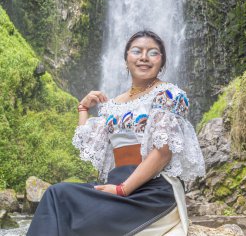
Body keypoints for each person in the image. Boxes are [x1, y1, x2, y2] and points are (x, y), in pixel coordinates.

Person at [27, 30, 205, 236]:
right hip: (116, 186)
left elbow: (163, 152)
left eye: (153, 53)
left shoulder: (169, 95)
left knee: (81, 218)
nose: (144, 57)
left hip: (153, 192)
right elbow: (89, 142)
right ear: (126, 58)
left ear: (162, 62)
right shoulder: (114, 105)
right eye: (137, 51)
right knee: (56, 194)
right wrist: (83, 109)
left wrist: (123, 189)